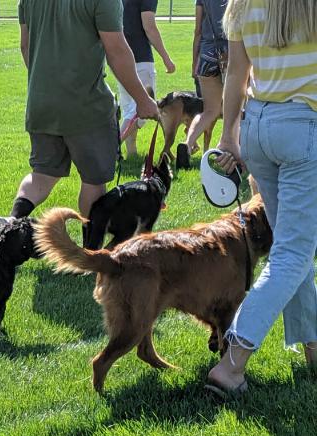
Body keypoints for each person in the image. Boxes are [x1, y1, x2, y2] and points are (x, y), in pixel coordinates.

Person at [206, 0, 317, 394]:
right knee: (294, 252)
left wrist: (228, 137)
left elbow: (237, 72)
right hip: (303, 128)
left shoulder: (243, 4)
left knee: (292, 248)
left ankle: (313, 349)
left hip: (258, 128)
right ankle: (232, 363)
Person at [0, 0, 160, 228]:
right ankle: (89, 250)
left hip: (41, 101)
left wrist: (48, 82)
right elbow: (117, 51)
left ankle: (12, 220)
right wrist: (143, 100)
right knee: (94, 181)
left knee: (42, 174)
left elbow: (26, 46)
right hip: (87, 106)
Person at [118, 0, 176, 157]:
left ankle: (131, 154)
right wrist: (166, 58)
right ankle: (112, 148)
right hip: (140, 57)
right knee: (145, 109)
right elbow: (149, 27)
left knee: (130, 110)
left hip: (119, 56)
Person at [177, 0, 229, 168]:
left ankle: (188, 143)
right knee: (237, 109)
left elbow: (197, 31)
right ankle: (229, 151)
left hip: (207, 53)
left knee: (209, 110)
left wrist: (194, 63)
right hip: (230, 51)